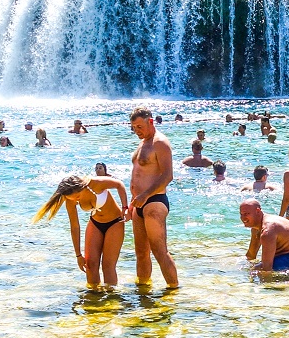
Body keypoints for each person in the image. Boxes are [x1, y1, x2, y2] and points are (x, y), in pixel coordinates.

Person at [33, 170, 131, 287]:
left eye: (77, 197)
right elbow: (75, 226)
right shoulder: (70, 200)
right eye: (72, 199)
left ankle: (111, 298)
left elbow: (119, 185)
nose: (76, 200)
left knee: (108, 266)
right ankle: (93, 297)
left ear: (82, 187)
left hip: (115, 222)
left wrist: (125, 208)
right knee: (90, 265)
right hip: (95, 223)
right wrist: (78, 255)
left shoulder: (95, 183)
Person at [127, 107, 179, 288]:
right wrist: (131, 204)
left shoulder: (160, 143)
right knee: (141, 253)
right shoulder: (142, 143)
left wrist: (144, 195)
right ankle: (143, 290)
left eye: (140, 126)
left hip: (154, 201)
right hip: (138, 203)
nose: (137, 131)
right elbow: (137, 175)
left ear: (150, 122)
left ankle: (173, 290)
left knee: (159, 251)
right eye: (134, 127)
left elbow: (167, 175)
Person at [241, 198, 289, 272]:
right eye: (241, 214)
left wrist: (264, 281)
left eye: (246, 214)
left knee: (258, 269)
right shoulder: (256, 229)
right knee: (254, 268)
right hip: (288, 255)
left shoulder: (268, 230)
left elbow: (266, 267)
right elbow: (251, 255)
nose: (243, 218)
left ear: (257, 211)